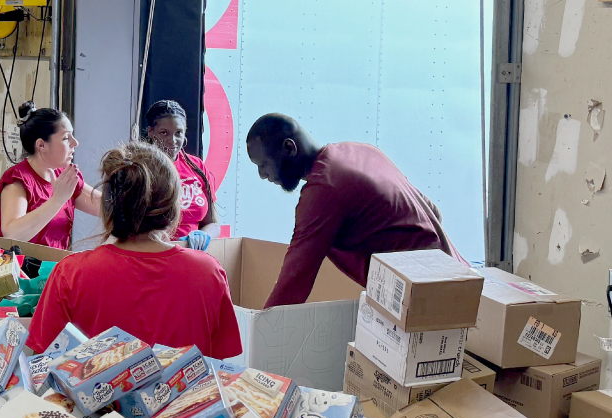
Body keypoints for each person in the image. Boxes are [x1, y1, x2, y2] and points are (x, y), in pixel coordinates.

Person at [26, 140, 242, 359]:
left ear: (108, 204)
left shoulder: (70, 274)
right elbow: (220, 365)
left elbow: (40, 365)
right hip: (187, 394)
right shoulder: (208, 272)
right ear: (173, 205)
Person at [246, 113, 465, 308]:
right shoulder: (362, 152)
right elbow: (433, 211)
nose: (262, 175)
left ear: (289, 148)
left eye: (263, 164)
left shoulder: (325, 188)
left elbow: (295, 280)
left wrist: (260, 328)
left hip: (434, 299)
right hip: (462, 281)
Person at [0, 102, 102, 250]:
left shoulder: (65, 175)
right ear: (41, 145)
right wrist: (58, 199)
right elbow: (12, 234)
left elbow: (105, 207)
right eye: (66, 138)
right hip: (21, 269)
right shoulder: (18, 181)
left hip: (53, 267)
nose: (75, 143)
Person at [144, 100, 221, 239]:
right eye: (164, 133)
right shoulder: (140, 169)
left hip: (191, 253)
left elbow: (214, 224)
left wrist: (203, 235)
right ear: (151, 132)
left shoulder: (197, 167)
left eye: (178, 133)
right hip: (154, 254)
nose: (172, 140)